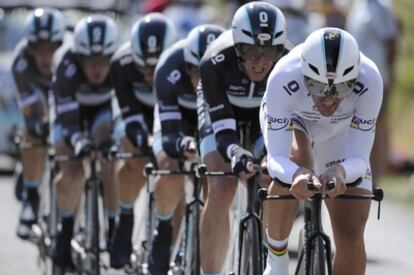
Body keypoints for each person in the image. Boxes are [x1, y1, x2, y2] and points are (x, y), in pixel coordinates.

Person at [260, 28, 382, 275]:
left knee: (350, 232)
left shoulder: (370, 79)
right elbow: (277, 158)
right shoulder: (283, 76)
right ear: (304, 73)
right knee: (298, 159)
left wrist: (340, 171)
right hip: (298, 120)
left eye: (340, 88)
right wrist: (296, 175)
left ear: (355, 78)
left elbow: (359, 157)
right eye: (316, 86)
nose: (327, 99)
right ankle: (277, 259)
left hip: (341, 130)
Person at [198, 2, 290, 274]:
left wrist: (268, 158)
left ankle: (269, 250)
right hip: (225, 112)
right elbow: (224, 134)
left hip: (266, 116)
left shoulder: (291, 63)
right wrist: (237, 153)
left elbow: (282, 127)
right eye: (250, 51)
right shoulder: (214, 61)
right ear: (237, 45)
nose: (260, 62)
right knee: (222, 185)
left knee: (273, 177)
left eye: (269, 52)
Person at [149, 24, 224, 275]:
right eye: (195, 71)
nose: (201, 80)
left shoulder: (231, 67)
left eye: (207, 71)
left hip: (212, 118)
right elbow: (168, 134)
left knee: (216, 185)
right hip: (178, 122)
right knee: (170, 168)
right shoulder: (168, 67)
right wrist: (182, 144)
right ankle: (163, 227)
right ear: (186, 64)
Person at [109, 12, 177, 269]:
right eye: (143, 68)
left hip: (169, 114)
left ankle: (169, 241)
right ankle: (125, 218)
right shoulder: (121, 63)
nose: (150, 76)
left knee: (174, 171)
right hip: (134, 115)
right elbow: (129, 115)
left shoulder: (181, 63)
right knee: (133, 154)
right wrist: (143, 139)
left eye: (155, 68)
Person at [51, 14, 119, 269]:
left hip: (101, 111)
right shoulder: (65, 66)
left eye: (103, 60)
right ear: (78, 56)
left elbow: (120, 114)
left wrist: (109, 143)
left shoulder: (120, 66)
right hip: (68, 114)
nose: (97, 68)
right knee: (72, 171)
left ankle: (113, 228)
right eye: (89, 60)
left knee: (110, 161)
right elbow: (67, 122)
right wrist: (78, 141)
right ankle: (65, 230)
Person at [11, 7, 66, 239]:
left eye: (51, 47)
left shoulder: (69, 55)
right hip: (38, 98)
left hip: (65, 92)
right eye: (38, 49)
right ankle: (31, 195)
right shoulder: (21, 62)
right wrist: (40, 125)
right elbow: (31, 110)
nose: (45, 55)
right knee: (33, 132)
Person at [346, 0, 399, 181]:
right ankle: (359, 172)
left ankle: (375, 177)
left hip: (378, 77)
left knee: (377, 126)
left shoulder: (382, 6)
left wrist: (390, 74)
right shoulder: (358, 5)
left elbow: (392, 40)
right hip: (356, 77)